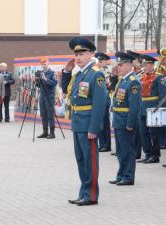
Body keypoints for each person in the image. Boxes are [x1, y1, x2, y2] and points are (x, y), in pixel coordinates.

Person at [62, 37, 107, 206]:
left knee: (90, 161)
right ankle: (84, 192)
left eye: (82, 54)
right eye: (76, 54)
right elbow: (68, 91)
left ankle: (91, 195)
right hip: (78, 124)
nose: (78, 57)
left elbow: (99, 104)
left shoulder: (96, 74)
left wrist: (94, 128)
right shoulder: (80, 73)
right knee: (81, 160)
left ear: (92, 54)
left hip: (88, 125)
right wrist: (67, 71)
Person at [109, 51, 141, 186]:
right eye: (118, 64)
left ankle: (128, 176)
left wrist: (130, 124)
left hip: (125, 121)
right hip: (118, 120)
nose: (119, 67)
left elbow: (134, 106)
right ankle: (121, 174)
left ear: (129, 65)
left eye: (121, 65)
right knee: (120, 151)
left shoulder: (133, 82)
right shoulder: (123, 80)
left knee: (128, 151)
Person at [137, 54, 166, 164]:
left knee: (154, 134)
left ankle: (155, 155)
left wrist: (159, 109)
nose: (143, 67)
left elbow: (163, 96)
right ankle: (148, 154)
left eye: (145, 65)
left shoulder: (159, 77)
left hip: (153, 107)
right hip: (142, 107)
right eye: (143, 65)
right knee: (143, 133)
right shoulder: (141, 77)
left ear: (151, 65)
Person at [127, 50, 143, 159]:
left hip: (139, 103)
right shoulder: (134, 72)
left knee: (137, 130)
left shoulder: (140, 72)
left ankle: (136, 152)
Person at [36, 58, 58, 139]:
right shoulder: (40, 73)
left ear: (48, 64)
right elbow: (38, 85)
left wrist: (45, 79)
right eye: (42, 64)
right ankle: (45, 132)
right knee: (43, 114)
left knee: (50, 114)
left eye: (44, 64)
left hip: (49, 96)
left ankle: (52, 133)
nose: (43, 65)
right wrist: (37, 80)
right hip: (42, 96)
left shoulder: (52, 73)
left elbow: (54, 83)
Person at [95, 52, 112, 152]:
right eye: (99, 61)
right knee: (99, 124)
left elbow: (108, 85)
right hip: (98, 101)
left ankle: (107, 145)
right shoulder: (97, 71)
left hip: (105, 100)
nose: (100, 63)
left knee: (105, 124)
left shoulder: (106, 71)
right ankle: (101, 144)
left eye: (101, 61)